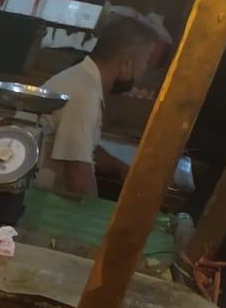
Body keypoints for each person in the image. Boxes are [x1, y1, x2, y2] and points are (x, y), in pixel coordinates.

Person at [38, 16, 160, 199]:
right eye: (147, 60)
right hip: (39, 202)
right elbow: (79, 178)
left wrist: (117, 166)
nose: (144, 70)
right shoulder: (84, 92)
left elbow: (85, 147)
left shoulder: (83, 79)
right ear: (128, 61)